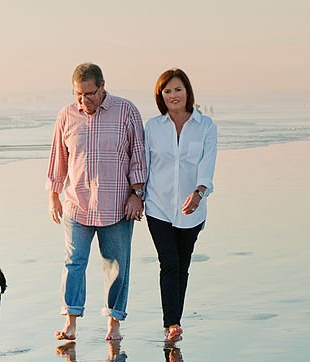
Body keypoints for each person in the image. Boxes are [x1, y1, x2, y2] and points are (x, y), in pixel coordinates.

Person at [48, 63, 147, 343]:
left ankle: (114, 325)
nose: (83, 100)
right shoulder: (66, 115)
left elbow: (138, 156)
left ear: (102, 87)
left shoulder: (126, 111)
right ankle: (70, 324)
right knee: (73, 263)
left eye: (89, 93)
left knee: (116, 265)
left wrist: (136, 194)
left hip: (117, 205)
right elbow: (58, 159)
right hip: (76, 204)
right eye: (78, 94)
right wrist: (53, 196)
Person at [143, 68, 218, 342]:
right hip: (158, 206)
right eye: (167, 91)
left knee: (182, 266)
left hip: (193, 209)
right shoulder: (152, 127)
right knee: (169, 263)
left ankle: (175, 318)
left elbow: (207, 164)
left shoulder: (206, 126)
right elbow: (146, 165)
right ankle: (171, 324)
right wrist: (137, 196)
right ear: (160, 96)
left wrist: (199, 192)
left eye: (178, 89)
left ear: (188, 92)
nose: (173, 95)